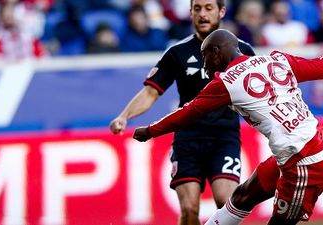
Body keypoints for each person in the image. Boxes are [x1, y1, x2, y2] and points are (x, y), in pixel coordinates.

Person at [133, 29, 323, 225]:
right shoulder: (277, 60)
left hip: (306, 164)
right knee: (242, 196)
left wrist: (151, 130)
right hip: (305, 149)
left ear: (217, 52)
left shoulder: (226, 82)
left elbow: (187, 113)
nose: (204, 64)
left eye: (205, 56)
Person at [109, 0, 255, 224]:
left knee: (225, 203)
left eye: (209, 8)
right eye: (197, 9)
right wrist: (124, 116)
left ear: (222, 11)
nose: (203, 14)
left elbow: (257, 91)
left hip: (224, 137)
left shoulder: (243, 50)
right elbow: (151, 92)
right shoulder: (178, 52)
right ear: (190, 13)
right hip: (187, 139)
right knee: (189, 209)